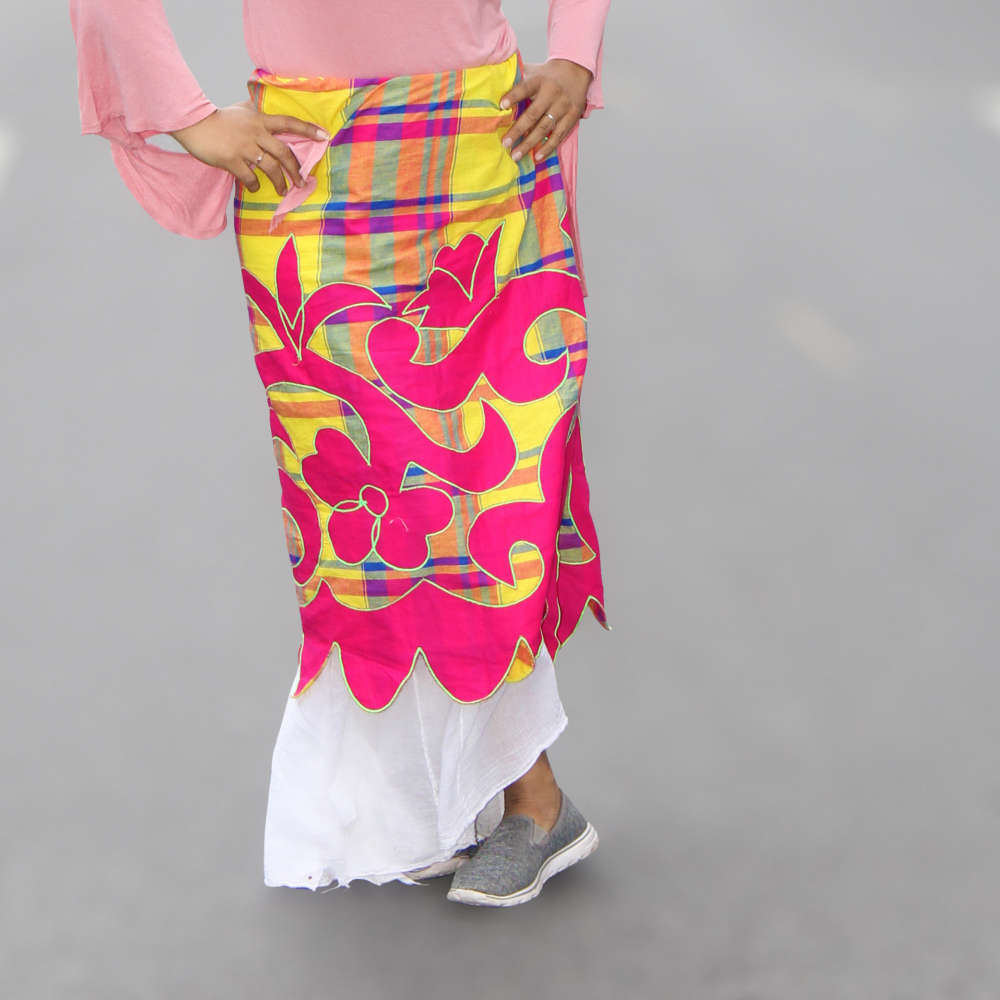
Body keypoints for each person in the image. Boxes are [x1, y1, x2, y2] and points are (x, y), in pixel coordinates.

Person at [69, 0, 612, 907]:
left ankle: (530, 799)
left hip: (483, 146)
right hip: (310, 166)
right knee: (366, 499)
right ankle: (441, 806)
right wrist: (191, 117)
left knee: (488, 486)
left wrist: (576, 56)